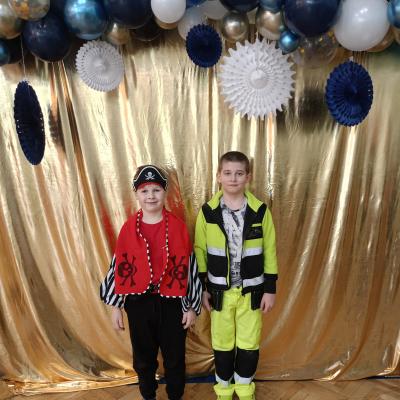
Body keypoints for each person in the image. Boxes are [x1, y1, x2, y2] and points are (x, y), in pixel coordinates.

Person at [100, 164, 202, 400]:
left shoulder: (177, 227)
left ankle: (175, 395)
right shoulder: (128, 229)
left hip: (172, 304)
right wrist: (115, 307)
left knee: (175, 357)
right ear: (136, 194)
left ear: (165, 192)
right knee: (143, 357)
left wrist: (190, 305)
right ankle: (148, 395)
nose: (151, 196)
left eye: (156, 190)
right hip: (138, 304)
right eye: (144, 191)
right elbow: (119, 267)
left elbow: (188, 268)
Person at [194, 151, 278, 400]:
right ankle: (224, 390)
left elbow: (270, 251)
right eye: (228, 173)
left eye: (239, 173)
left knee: (249, 344)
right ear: (219, 176)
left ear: (248, 177)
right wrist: (202, 289)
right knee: (222, 344)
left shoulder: (260, 211)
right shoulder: (207, 212)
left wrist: (270, 289)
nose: (233, 178)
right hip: (219, 292)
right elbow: (200, 251)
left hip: (252, 292)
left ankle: (244, 389)